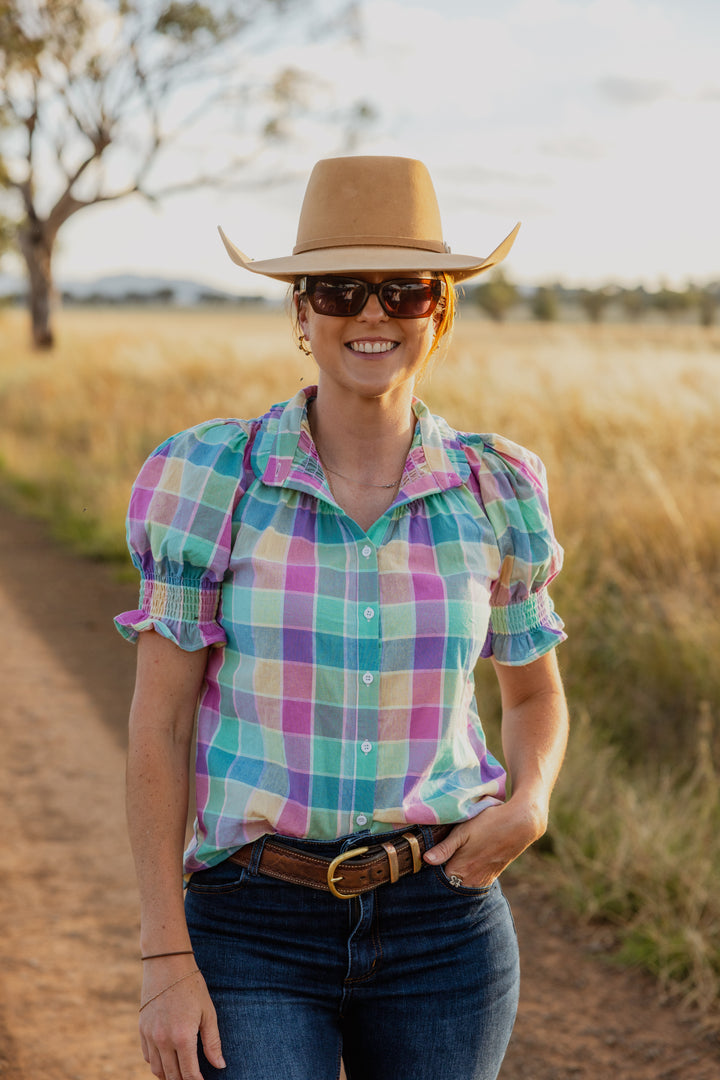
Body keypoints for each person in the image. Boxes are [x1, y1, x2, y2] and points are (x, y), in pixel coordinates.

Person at [116, 154, 569, 1080]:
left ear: (438, 313)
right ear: (300, 313)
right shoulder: (209, 478)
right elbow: (158, 727)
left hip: (446, 928)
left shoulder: (498, 489)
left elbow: (533, 698)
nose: (371, 314)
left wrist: (530, 801)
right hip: (251, 928)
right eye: (338, 289)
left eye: (403, 291)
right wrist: (165, 959)